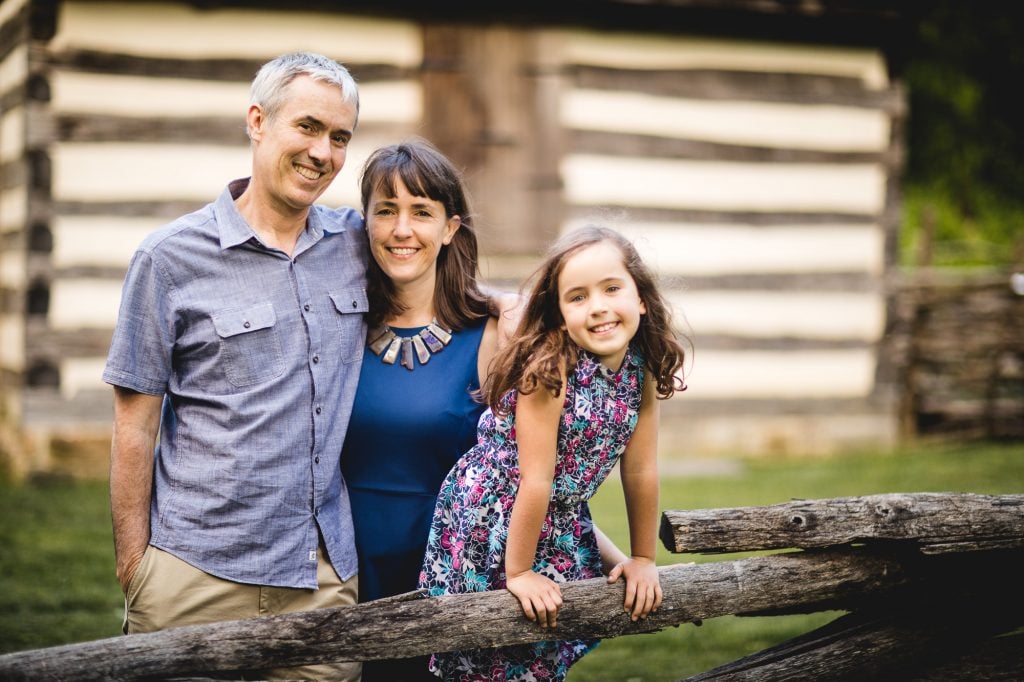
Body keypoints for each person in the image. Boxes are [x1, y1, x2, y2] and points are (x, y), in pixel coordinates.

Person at [103, 51, 366, 681]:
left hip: (322, 581)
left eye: (339, 138)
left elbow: (441, 271)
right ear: (256, 121)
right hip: (193, 575)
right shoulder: (168, 260)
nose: (322, 153)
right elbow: (134, 425)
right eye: (307, 127)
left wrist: (510, 304)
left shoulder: (358, 244)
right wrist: (137, 569)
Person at [418, 225, 688, 681]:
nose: (598, 306)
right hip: (495, 517)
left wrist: (641, 559)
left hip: (557, 515)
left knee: (541, 655)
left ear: (640, 297)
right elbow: (535, 480)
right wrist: (519, 572)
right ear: (561, 315)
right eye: (578, 297)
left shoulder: (639, 369)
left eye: (612, 288)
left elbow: (640, 469)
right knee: (496, 652)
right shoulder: (550, 372)